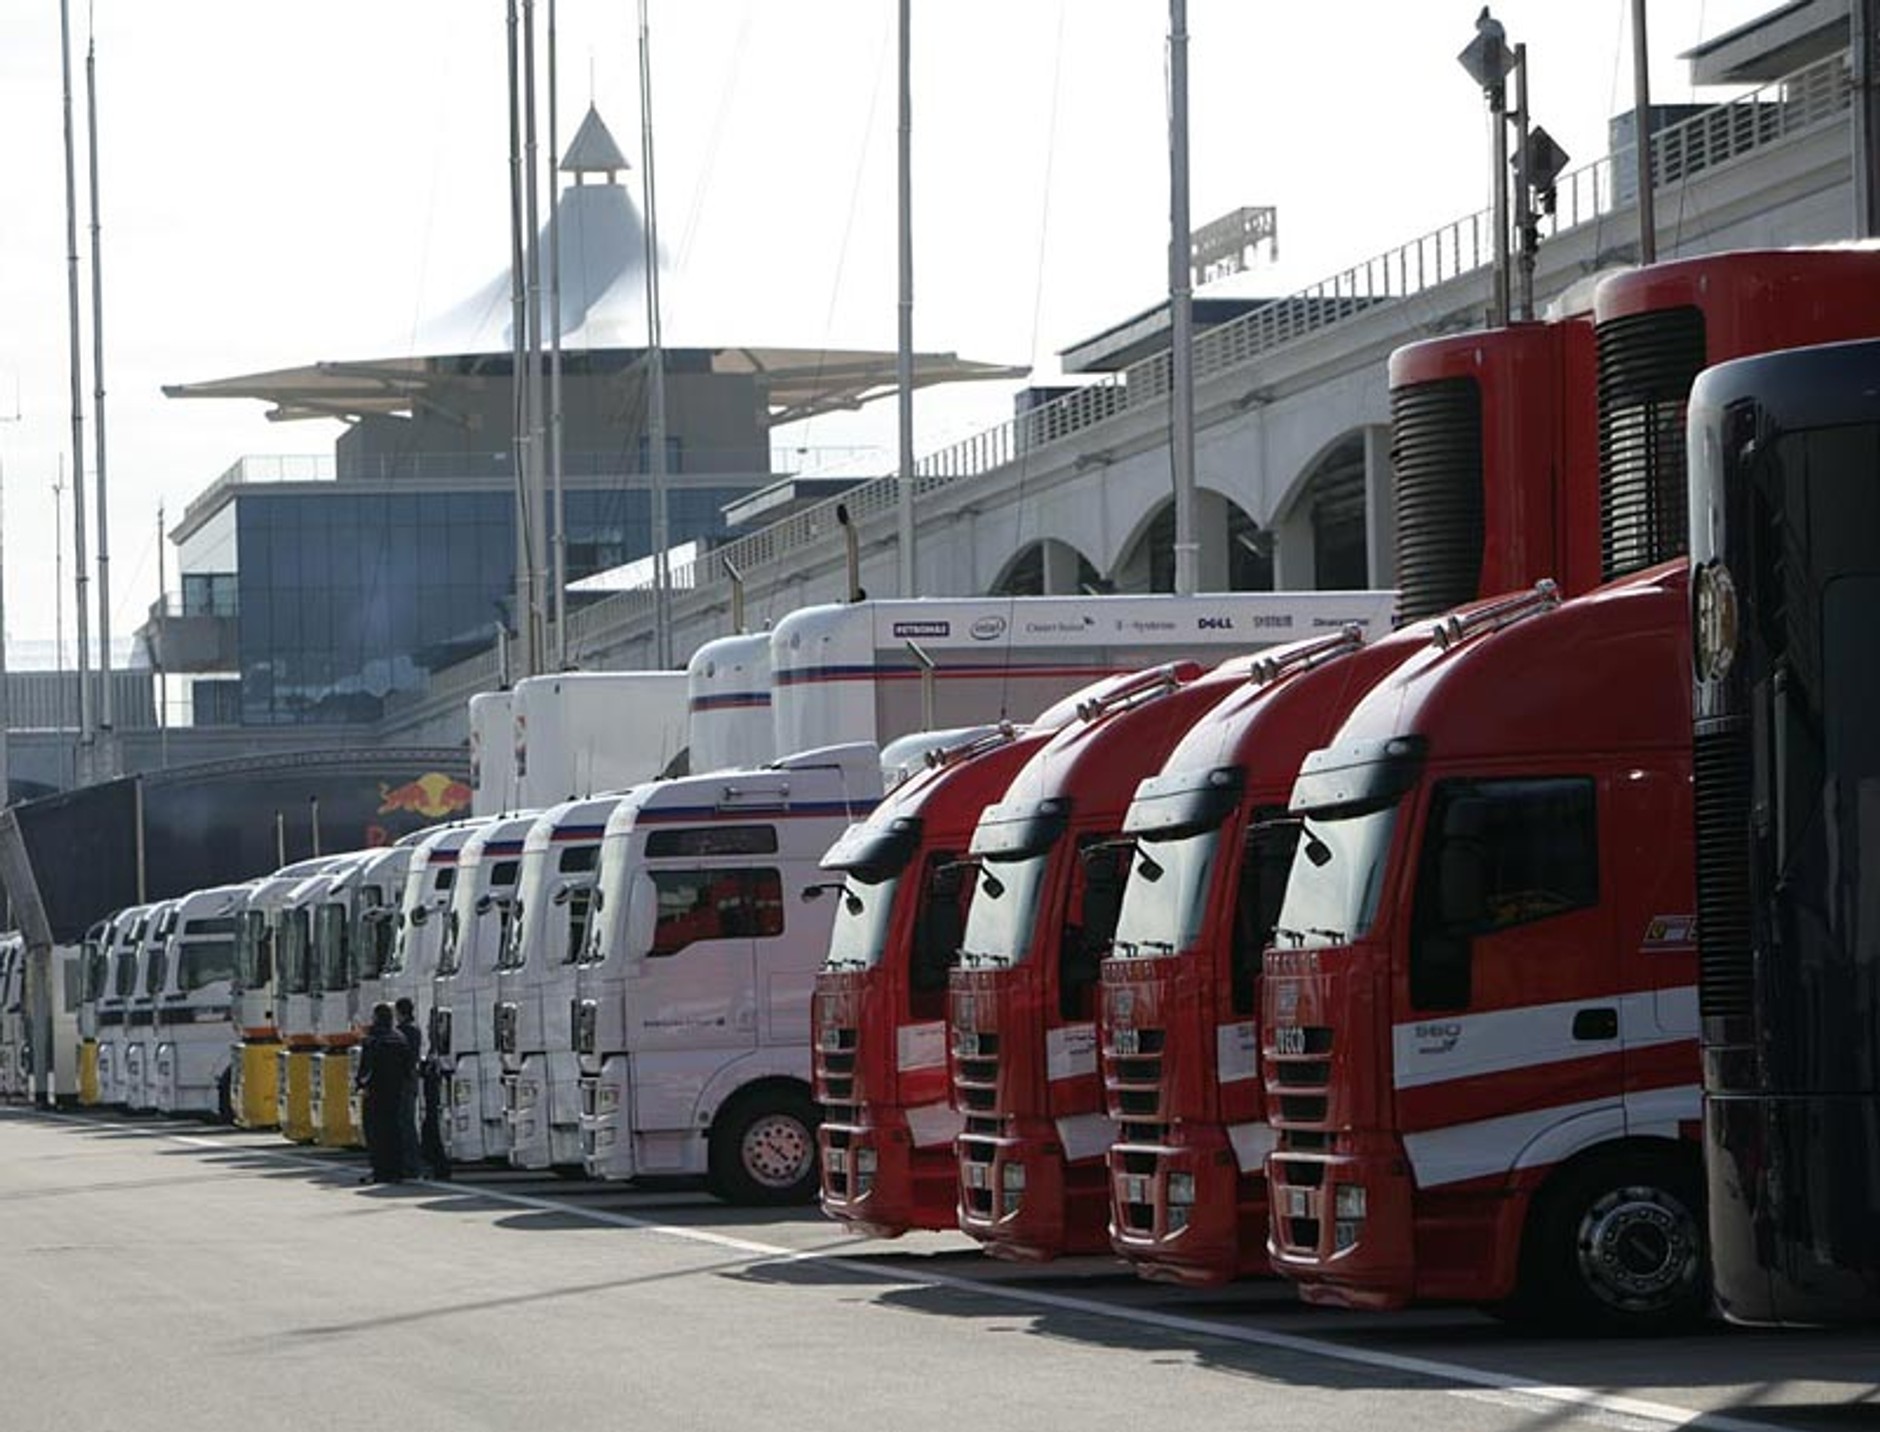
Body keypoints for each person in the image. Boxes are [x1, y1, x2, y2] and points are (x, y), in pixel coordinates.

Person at [354, 1002, 415, 1184]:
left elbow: (366, 1068)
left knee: (375, 1133)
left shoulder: (372, 1039)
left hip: (375, 1093)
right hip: (396, 1092)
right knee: (394, 1130)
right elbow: (408, 1066)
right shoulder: (399, 1038)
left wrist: (360, 1085)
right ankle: (396, 1171)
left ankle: (380, 1171)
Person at [394, 997, 424, 1178]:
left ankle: (409, 1164)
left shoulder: (401, 1032)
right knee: (409, 1122)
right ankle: (413, 1163)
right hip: (411, 1078)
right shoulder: (416, 1031)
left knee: (403, 1123)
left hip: (402, 1080)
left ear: (399, 1012)